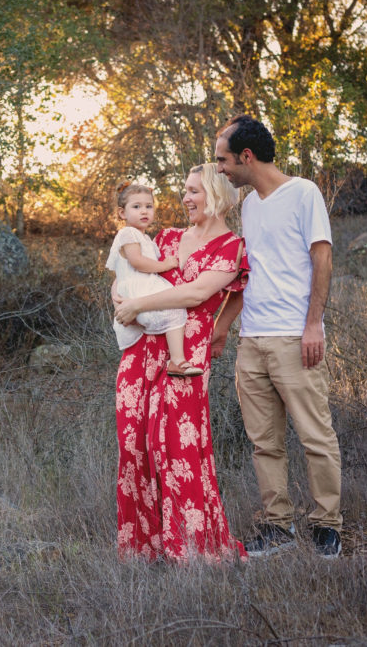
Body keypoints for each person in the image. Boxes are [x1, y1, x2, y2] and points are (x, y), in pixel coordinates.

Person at [211, 115, 342, 558]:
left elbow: (321, 260)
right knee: (263, 442)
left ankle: (327, 526)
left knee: (315, 437)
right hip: (254, 340)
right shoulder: (249, 206)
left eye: (222, 160)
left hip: (293, 336)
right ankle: (277, 526)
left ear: (246, 157)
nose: (219, 169)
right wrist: (227, 327)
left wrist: (312, 325)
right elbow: (250, 274)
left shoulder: (303, 193)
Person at [112, 163, 249, 562]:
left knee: (177, 447)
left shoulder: (231, 247)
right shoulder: (167, 238)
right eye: (184, 192)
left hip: (184, 355)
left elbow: (195, 294)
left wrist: (140, 304)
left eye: (193, 191)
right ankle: (144, 549)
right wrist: (121, 298)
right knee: (135, 445)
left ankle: (190, 549)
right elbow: (127, 273)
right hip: (140, 352)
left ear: (217, 195)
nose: (184, 199)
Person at [106, 183, 203, 377]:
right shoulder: (128, 233)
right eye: (136, 207)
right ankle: (177, 360)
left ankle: (175, 360)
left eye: (148, 206)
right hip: (140, 292)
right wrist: (165, 265)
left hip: (138, 292)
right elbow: (137, 262)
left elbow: (123, 271)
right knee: (175, 310)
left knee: (173, 313)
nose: (144, 211)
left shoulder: (145, 238)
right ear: (122, 213)